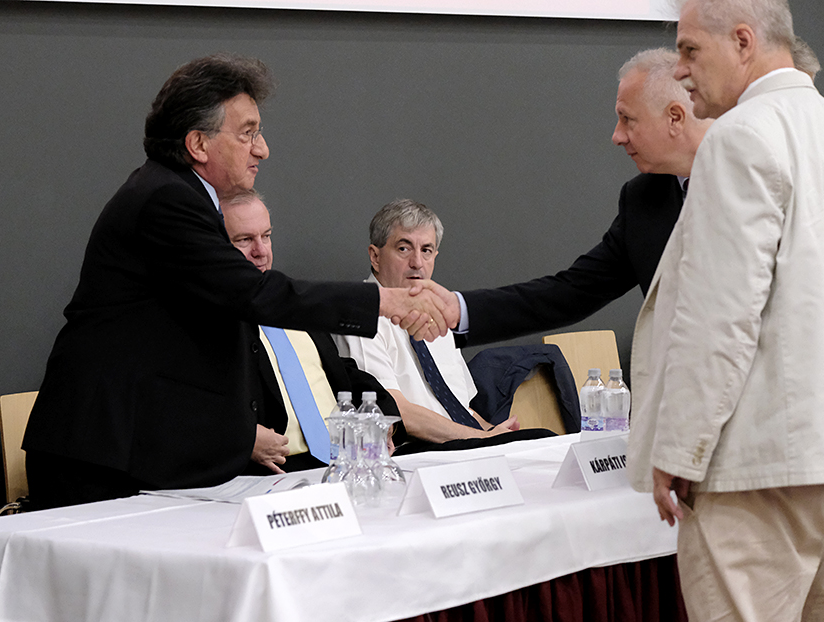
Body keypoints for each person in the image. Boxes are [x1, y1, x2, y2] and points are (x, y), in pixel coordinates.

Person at [22, 54, 454, 509]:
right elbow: (252, 293)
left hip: (130, 446)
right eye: (247, 133)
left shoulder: (177, 194)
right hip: (99, 453)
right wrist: (383, 301)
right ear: (198, 143)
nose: (262, 149)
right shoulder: (166, 199)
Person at [628, 0, 824, 622]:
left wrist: (677, 449)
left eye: (689, 50)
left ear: (743, 41)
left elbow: (719, 315)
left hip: (755, 468)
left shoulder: (739, 135)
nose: (680, 71)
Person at [434, 48, 712, 346]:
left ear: (674, 118)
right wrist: (457, 310)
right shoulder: (643, 198)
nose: (617, 136)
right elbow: (574, 291)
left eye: (627, 119)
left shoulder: (747, 177)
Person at [221, 190, 401, 474]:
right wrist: (242, 438)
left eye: (266, 236)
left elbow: (339, 370)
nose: (260, 250)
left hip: (344, 460)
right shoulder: (208, 321)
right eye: (244, 240)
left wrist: (381, 412)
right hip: (279, 469)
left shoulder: (295, 302)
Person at [335, 199, 519, 444]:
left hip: (463, 442)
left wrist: (494, 432)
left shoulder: (439, 314)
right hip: (416, 450)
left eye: (426, 250)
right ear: (375, 256)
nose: (417, 263)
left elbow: (461, 407)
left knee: (539, 440)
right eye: (404, 249)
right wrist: (482, 440)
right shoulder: (360, 316)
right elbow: (395, 411)